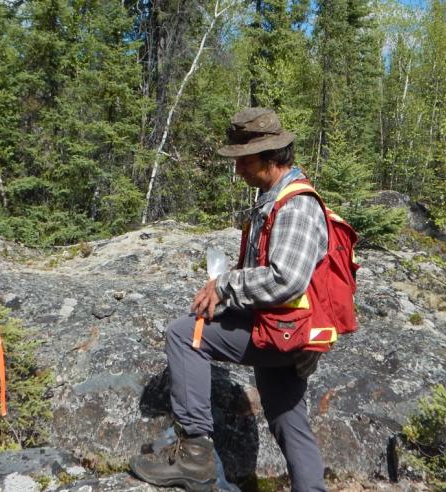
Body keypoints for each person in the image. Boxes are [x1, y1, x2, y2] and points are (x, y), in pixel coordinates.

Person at [130, 108, 330, 492]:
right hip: (282, 327)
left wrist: (224, 287)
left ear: (270, 158)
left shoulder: (297, 206)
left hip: (283, 329)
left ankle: (195, 457)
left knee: (184, 335)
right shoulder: (272, 198)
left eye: (243, 160)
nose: (237, 169)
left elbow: (286, 279)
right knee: (289, 419)